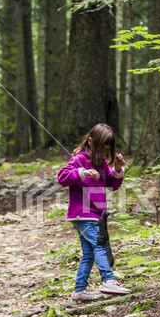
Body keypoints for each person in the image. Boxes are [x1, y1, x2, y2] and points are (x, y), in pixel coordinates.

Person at [57, 123, 132, 301]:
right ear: (90, 142)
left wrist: (119, 170)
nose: (104, 155)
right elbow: (62, 177)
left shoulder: (103, 164)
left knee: (89, 253)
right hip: (82, 213)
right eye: (102, 150)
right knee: (99, 245)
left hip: (95, 214)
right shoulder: (79, 160)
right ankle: (108, 279)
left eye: (107, 152)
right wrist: (83, 173)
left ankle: (79, 290)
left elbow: (112, 186)